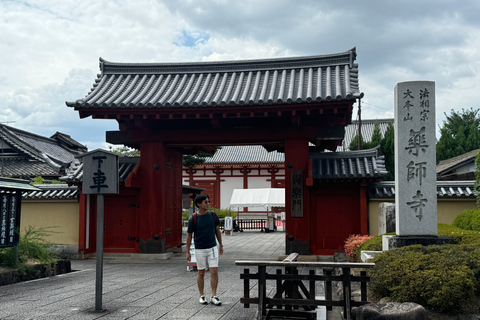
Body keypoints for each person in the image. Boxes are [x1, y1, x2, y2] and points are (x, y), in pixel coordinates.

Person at [186, 194, 224, 306]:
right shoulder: (193, 218)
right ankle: (202, 295)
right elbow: (189, 236)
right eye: (205, 202)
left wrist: (220, 245)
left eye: (208, 201)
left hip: (212, 247)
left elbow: (217, 230)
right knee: (201, 272)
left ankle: (214, 295)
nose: (208, 204)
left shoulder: (213, 215)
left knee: (214, 271)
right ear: (198, 204)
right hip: (199, 249)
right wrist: (188, 251)